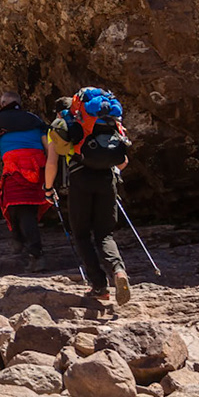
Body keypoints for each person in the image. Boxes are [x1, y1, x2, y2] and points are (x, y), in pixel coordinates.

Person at [57, 88, 132, 305]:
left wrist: (48, 187)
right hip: (107, 180)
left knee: (81, 234)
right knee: (105, 235)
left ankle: (99, 286)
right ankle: (118, 271)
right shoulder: (111, 124)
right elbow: (122, 162)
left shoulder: (73, 123)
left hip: (80, 179)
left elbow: (59, 152)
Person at [0, 92, 51, 271]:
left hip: (14, 168)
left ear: (3, 103)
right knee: (24, 207)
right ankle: (20, 241)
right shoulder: (34, 119)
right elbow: (47, 145)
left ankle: (34, 253)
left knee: (18, 207)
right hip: (38, 167)